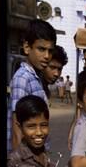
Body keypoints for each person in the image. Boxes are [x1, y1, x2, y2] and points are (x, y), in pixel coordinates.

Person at [7, 19, 56, 152]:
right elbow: (17, 128)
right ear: (27, 47)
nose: (47, 56)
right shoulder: (22, 78)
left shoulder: (35, 77)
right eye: (41, 49)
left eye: (50, 51)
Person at [7, 95, 53, 167]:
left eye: (44, 125)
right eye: (31, 126)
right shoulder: (14, 160)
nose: (39, 132)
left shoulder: (46, 155)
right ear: (19, 127)